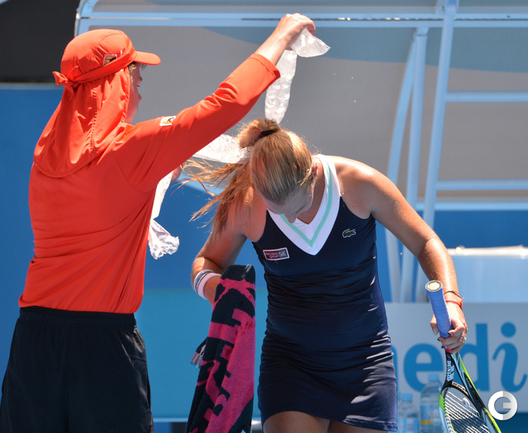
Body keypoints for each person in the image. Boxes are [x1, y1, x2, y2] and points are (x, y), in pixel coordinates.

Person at [0, 15, 316, 433]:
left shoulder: (45, 156)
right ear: (116, 85)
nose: (140, 92)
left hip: (33, 340)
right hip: (102, 346)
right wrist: (282, 35)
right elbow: (226, 104)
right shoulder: (132, 150)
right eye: (137, 80)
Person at [190, 118, 468, 433]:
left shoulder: (360, 184)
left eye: (298, 207)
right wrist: (222, 295)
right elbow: (206, 262)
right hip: (290, 367)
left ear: (313, 172)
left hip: (366, 365)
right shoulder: (245, 203)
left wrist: (451, 300)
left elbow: (426, 242)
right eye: (279, 211)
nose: (291, 218)